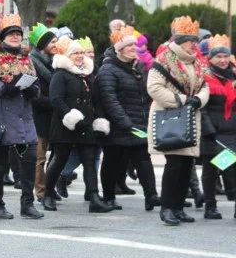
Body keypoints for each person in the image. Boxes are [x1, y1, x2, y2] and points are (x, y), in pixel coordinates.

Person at [0, 15, 44, 220]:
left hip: (23, 119)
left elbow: (37, 87)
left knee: (30, 160)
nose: (15, 37)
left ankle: (27, 205)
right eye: (11, 34)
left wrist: (31, 90)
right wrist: (5, 87)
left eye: (18, 34)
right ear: (3, 37)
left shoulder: (26, 60)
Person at [148, 17, 210, 226]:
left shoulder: (197, 62)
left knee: (186, 165)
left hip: (191, 116)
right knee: (174, 165)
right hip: (171, 118)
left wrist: (198, 100)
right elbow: (154, 88)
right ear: (181, 40)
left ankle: (179, 207)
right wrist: (183, 101)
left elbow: (205, 87)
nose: (195, 44)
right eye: (191, 40)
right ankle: (167, 208)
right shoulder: (165, 59)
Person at [40, 38, 113, 213]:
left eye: (81, 52)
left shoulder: (87, 75)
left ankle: (94, 198)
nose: (80, 56)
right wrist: (72, 118)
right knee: (59, 160)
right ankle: (47, 195)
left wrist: (99, 122)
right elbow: (56, 100)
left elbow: (96, 101)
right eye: (75, 53)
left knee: (89, 161)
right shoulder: (60, 74)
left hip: (86, 126)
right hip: (64, 125)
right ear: (67, 55)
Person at [96, 25, 160, 212]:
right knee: (113, 161)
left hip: (138, 123)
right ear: (120, 49)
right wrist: (125, 123)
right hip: (118, 126)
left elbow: (145, 94)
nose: (135, 49)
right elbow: (110, 100)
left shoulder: (138, 66)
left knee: (143, 160)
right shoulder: (108, 69)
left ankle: (151, 196)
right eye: (130, 46)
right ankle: (108, 197)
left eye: (135, 46)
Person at [200, 34, 236, 219]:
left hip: (232, 131)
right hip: (212, 132)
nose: (222, 60)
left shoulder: (234, 76)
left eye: (225, 56)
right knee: (211, 170)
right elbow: (202, 107)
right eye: (218, 57)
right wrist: (208, 129)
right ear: (210, 58)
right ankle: (210, 206)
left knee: (231, 166)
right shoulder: (204, 77)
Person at [28, 24, 59, 202]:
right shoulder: (32, 63)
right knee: (39, 157)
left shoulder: (54, 62)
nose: (56, 44)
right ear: (42, 45)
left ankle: (50, 187)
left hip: (54, 115)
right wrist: (54, 102)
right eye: (52, 42)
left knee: (55, 155)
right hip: (38, 115)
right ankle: (40, 191)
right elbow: (33, 94)